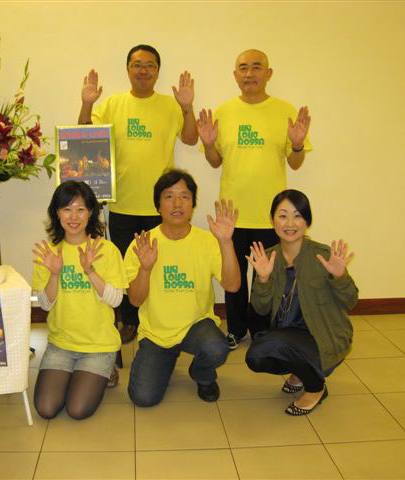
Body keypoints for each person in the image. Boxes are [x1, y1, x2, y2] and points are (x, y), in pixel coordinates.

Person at [79, 44, 199, 345]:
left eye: (149, 65)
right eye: (137, 64)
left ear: (157, 70)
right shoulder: (112, 104)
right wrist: (87, 104)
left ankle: (158, 319)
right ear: (128, 69)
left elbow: (190, 138)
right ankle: (130, 321)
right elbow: (84, 134)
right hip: (122, 203)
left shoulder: (170, 105)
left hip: (163, 207)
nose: (143, 70)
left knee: (160, 267)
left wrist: (187, 107)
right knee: (125, 269)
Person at [197, 49, 312, 349]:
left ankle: (262, 330)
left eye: (256, 67)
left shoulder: (285, 111)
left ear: (268, 73)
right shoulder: (223, 112)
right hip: (232, 215)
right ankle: (236, 329)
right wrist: (208, 144)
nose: (249, 74)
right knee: (234, 278)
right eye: (243, 68)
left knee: (267, 277)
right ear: (235, 75)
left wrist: (297, 144)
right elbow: (214, 162)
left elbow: (295, 163)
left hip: (271, 216)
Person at [124, 170, 240, 407]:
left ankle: (202, 374)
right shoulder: (142, 244)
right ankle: (165, 359)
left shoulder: (207, 241)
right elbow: (135, 301)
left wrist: (226, 242)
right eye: (169, 196)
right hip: (156, 333)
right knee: (143, 398)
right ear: (158, 205)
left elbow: (232, 285)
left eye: (184, 196)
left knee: (217, 348)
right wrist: (145, 268)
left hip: (196, 325)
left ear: (193, 204)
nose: (177, 203)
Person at [245, 189, 358, 415]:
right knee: (256, 357)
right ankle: (300, 371)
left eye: (297, 216)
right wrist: (263, 279)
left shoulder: (322, 256)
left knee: (276, 344)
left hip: (324, 335)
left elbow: (351, 301)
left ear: (307, 221)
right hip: (289, 334)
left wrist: (340, 277)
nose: (290, 223)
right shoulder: (268, 257)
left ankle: (315, 388)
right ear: (272, 220)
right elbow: (260, 308)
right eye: (283, 215)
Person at [31, 181, 128, 420]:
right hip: (61, 345)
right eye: (67, 209)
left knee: (77, 409)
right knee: (46, 408)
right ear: (57, 213)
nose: (73, 217)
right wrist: (55, 274)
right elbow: (45, 304)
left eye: (81, 209)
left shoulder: (106, 250)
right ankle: (79, 374)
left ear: (91, 213)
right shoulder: (49, 253)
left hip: (98, 346)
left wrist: (90, 271)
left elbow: (116, 301)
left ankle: (105, 370)